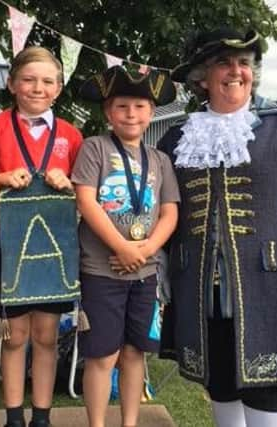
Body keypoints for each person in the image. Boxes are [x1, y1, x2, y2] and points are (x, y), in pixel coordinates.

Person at [157, 28, 277, 427]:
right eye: (223, 63)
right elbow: (161, 204)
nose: (236, 71)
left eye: (244, 63)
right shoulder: (178, 137)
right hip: (203, 294)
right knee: (221, 385)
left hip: (275, 288)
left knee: (270, 394)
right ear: (201, 77)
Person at [72, 65, 180, 427]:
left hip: (145, 273)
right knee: (103, 356)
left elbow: (169, 212)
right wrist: (122, 246)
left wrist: (144, 250)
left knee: (135, 354)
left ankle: (130, 422)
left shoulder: (161, 161)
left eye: (138, 106)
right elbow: (86, 202)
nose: (130, 114)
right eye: (121, 106)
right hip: (102, 272)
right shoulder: (94, 149)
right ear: (107, 112)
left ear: (151, 112)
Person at [0, 46, 83, 427]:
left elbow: (87, 192)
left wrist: (68, 182)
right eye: (28, 80)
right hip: (11, 247)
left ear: (58, 88)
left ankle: (41, 417)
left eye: (47, 81)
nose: (37, 88)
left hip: (55, 246)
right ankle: (12, 418)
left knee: (46, 335)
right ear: (11, 84)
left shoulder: (72, 136)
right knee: (14, 336)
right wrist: (1, 178)